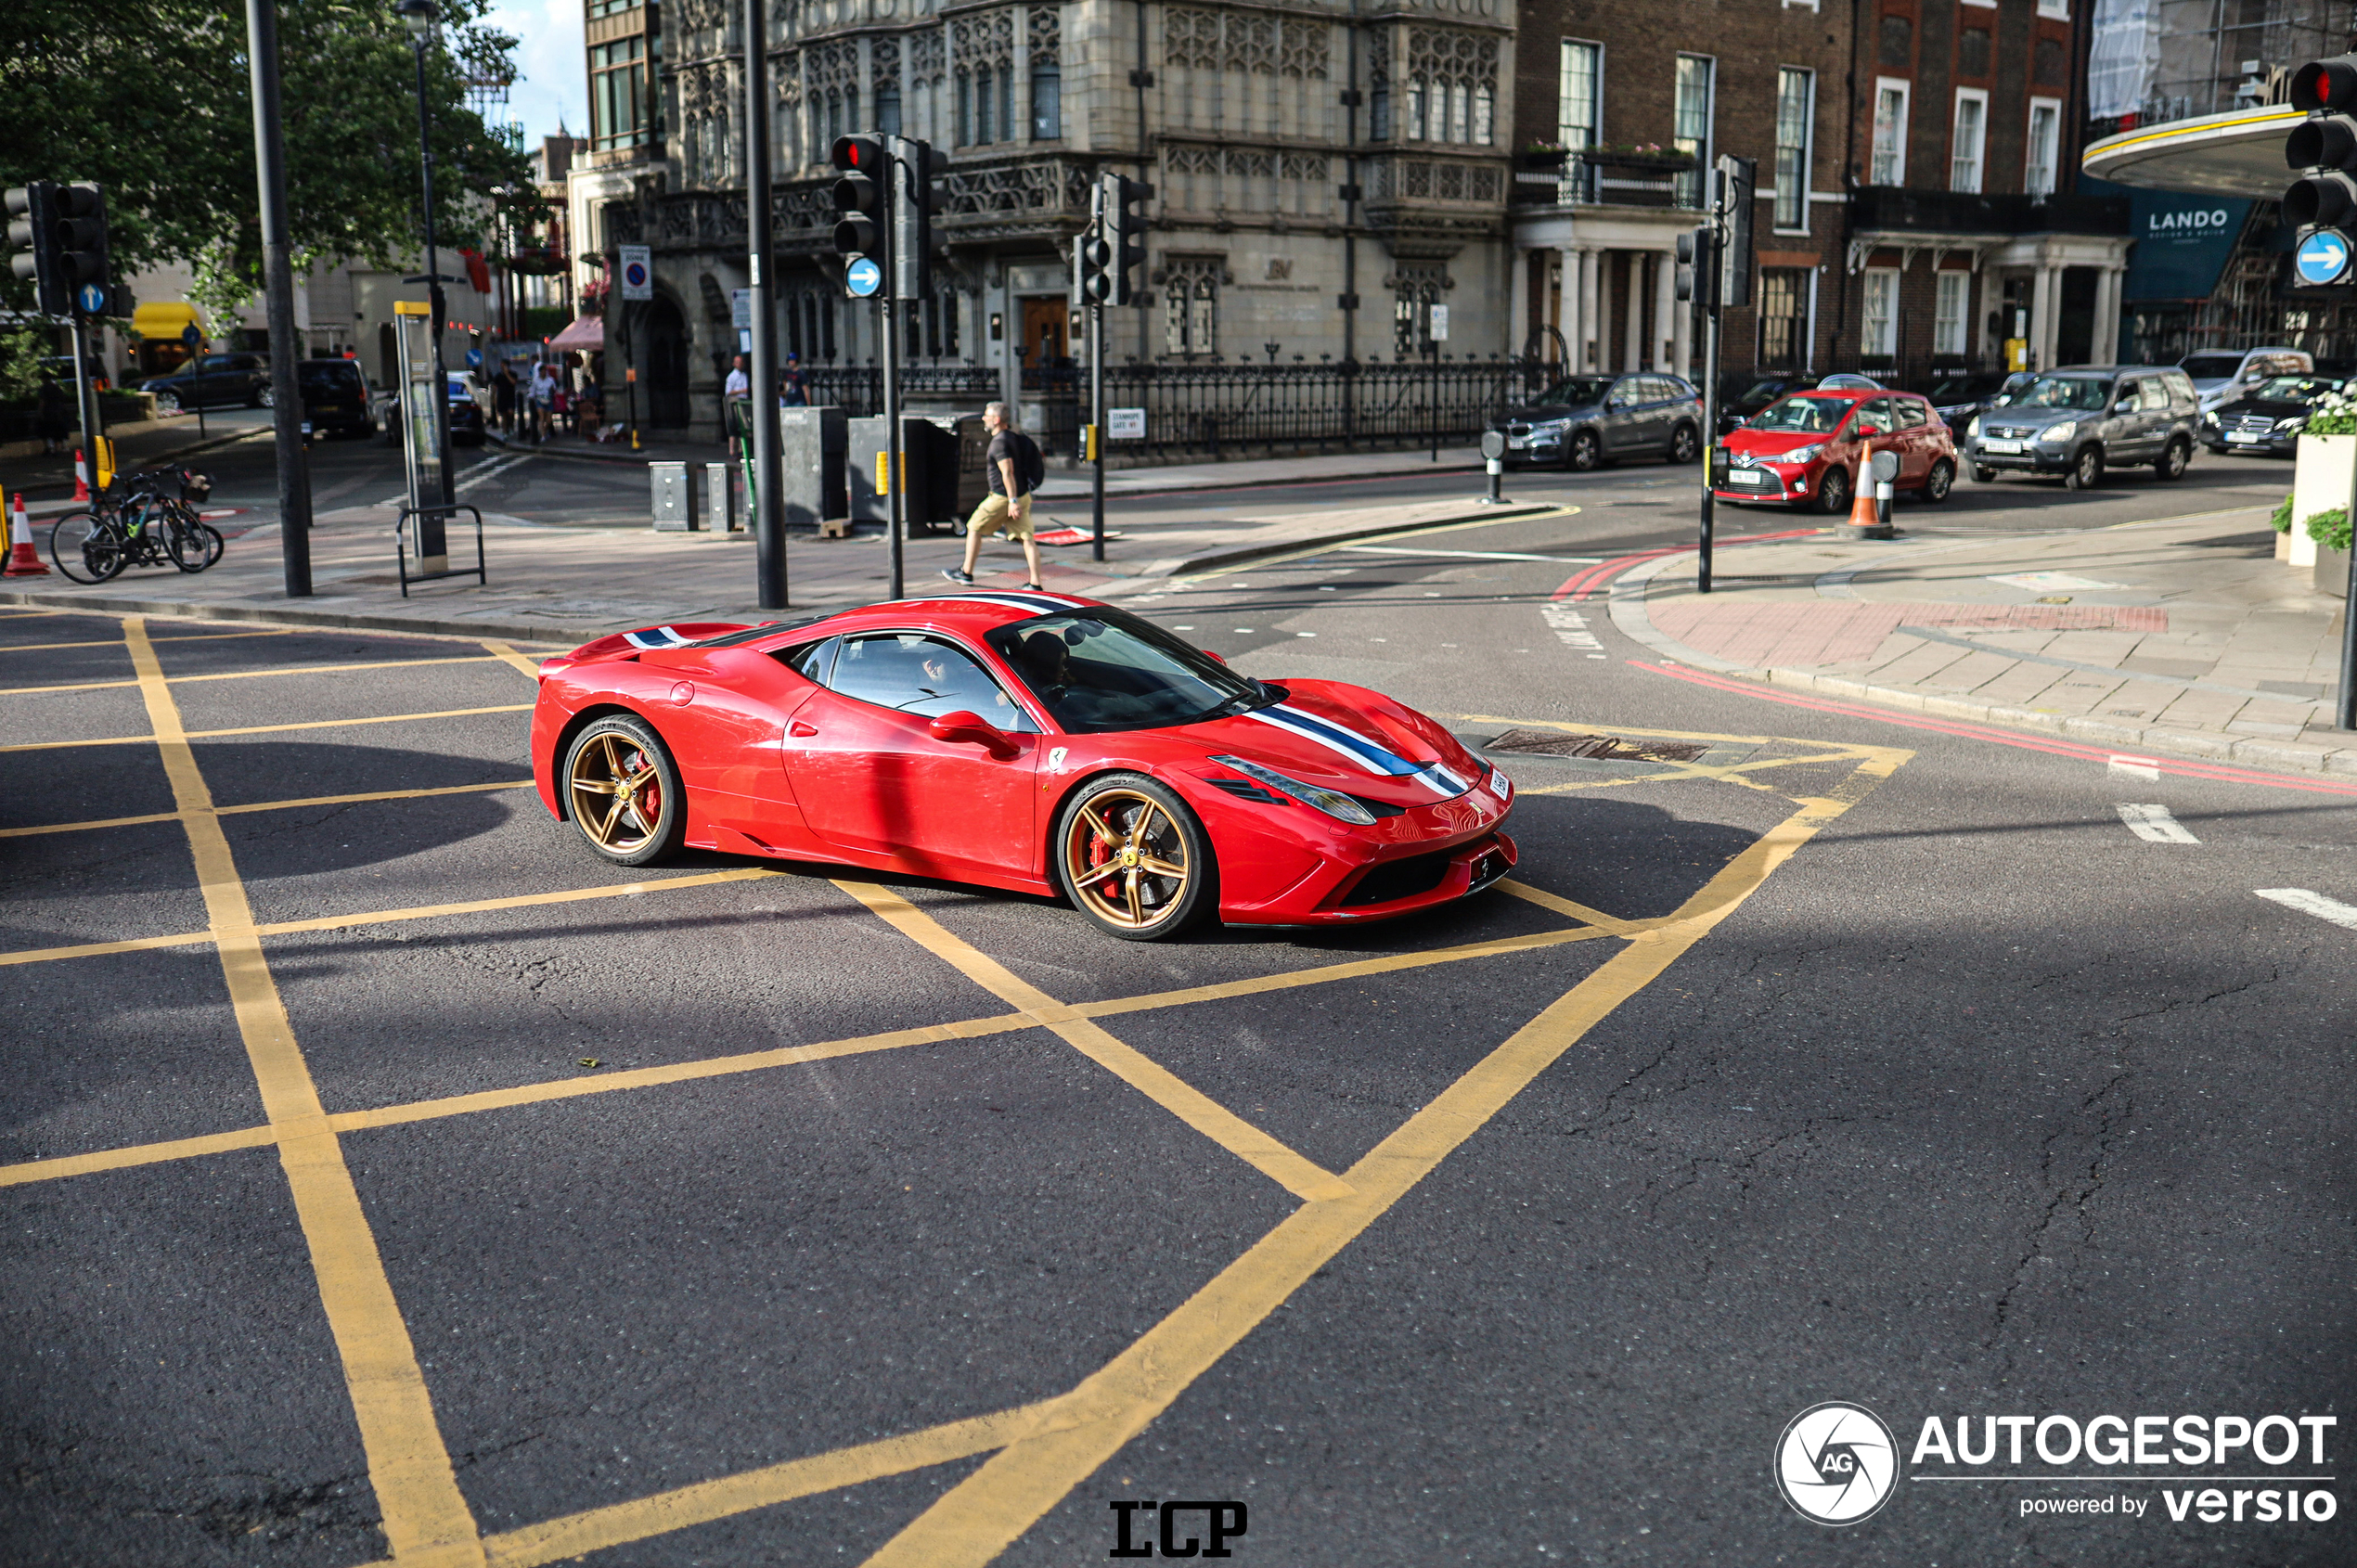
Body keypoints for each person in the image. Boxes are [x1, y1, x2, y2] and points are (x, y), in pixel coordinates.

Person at [942, 401, 1044, 590]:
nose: (983, 418)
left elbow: (1008, 472)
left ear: (996, 420)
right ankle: (1035, 583)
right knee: (1027, 538)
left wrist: (1012, 501)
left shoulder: (999, 443)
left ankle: (966, 572)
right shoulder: (1012, 436)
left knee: (973, 526)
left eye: (987, 415)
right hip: (1021, 496)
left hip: (1003, 498)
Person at [492, 361, 518, 435]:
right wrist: (493, 398)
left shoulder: (513, 374)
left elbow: (513, 382)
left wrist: (507, 374)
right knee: (504, 415)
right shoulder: (498, 376)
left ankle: (511, 426)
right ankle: (505, 430)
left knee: (510, 413)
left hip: (510, 397)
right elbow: (495, 387)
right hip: (502, 397)